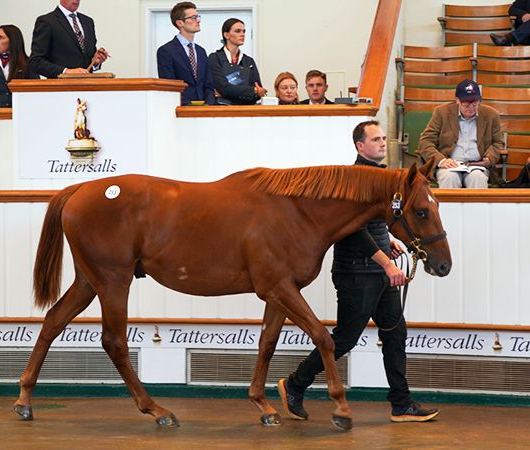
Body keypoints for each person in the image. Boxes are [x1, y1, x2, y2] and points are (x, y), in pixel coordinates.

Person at [278, 120, 440, 424]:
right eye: (375, 139)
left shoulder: (384, 176)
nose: (382, 143)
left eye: (383, 138)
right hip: (356, 271)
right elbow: (353, 231)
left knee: (395, 333)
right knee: (346, 338)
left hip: (377, 268)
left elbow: (378, 221)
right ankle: (294, 385)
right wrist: (386, 262)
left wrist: (388, 241)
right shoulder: (352, 179)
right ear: (359, 146)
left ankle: (401, 404)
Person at [418, 79, 504, 188]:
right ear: (457, 100)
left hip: (476, 165)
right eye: (466, 104)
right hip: (449, 165)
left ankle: (477, 206)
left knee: (477, 178)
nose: (471, 107)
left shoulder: (492, 115)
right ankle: (449, 206)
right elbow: (425, 141)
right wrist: (441, 161)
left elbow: (498, 142)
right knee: (449, 178)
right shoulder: (441, 112)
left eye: (475, 103)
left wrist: (489, 159)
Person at [29, 0, 110, 79]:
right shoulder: (47, 21)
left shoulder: (88, 22)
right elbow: (36, 62)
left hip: (87, 87)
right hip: (61, 88)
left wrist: (95, 63)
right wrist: (66, 72)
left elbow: (86, 62)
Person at [157, 2, 215, 105]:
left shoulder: (201, 51)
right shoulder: (166, 51)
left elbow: (208, 85)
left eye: (198, 16)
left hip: (205, 111)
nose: (198, 20)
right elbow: (169, 86)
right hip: (180, 109)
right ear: (180, 23)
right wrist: (189, 106)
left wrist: (208, 105)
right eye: (193, 17)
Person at [0, 25, 39, 108]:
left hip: (22, 115)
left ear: (13, 41)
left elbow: (36, 94)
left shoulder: (29, 64)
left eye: (1, 38)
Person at [208, 18, 267, 105]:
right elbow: (223, 88)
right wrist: (252, 91)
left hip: (246, 110)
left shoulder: (249, 61)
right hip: (222, 110)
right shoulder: (214, 58)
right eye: (238, 31)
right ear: (226, 35)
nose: (242, 34)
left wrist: (227, 92)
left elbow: (259, 92)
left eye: (244, 31)